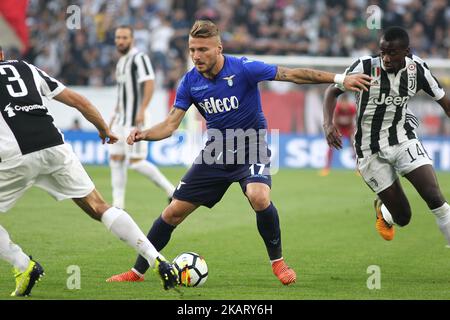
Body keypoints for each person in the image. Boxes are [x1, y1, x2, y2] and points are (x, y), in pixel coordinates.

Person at [106, 20, 370, 284]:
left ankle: (278, 262)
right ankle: (137, 272)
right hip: (216, 152)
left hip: (251, 144)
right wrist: (145, 134)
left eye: (203, 50)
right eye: (192, 50)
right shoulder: (189, 82)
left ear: (219, 48)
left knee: (258, 196)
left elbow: (291, 74)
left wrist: (339, 79)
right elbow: (171, 124)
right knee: (172, 212)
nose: (196, 56)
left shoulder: (244, 68)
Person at [0, 46, 178, 296]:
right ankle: (155, 257)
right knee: (99, 207)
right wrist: (103, 129)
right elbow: (78, 100)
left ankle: (23, 264)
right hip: (54, 146)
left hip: (15, 156)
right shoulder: (25, 68)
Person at [323, 26, 450, 246]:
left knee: (435, 198)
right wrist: (327, 123)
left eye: (392, 53)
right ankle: (383, 209)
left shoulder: (417, 69)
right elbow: (332, 91)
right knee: (403, 217)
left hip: (403, 138)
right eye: (383, 52)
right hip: (368, 148)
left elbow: (444, 102)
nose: (386, 58)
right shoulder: (364, 67)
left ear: (406, 52)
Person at [109, 25, 175, 209]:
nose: (120, 41)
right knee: (115, 158)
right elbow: (122, 93)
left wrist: (142, 109)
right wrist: (113, 116)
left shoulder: (140, 57)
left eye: (124, 37)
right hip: (121, 119)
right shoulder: (121, 62)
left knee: (136, 162)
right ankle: (118, 205)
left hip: (135, 119)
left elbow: (149, 82)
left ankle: (172, 191)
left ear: (132, 40)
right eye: (118, 37)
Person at [319, 93, 357, 176]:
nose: (344, 105)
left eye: (346, 103)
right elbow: (334, 122)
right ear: (340, 103)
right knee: (331, 146)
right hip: (339, 130)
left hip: (349, 130)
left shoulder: (352, 109)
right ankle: (326, 168)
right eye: (343, 103)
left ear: (348, 102)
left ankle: (358, 169)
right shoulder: (337, 109)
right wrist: (335, 133)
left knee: (354, 148)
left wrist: (353, 131)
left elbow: (356, 120)